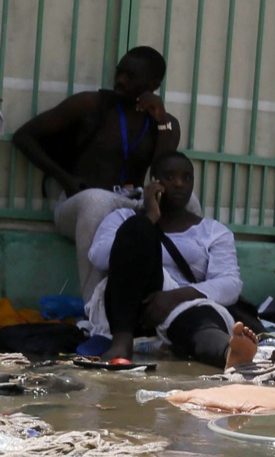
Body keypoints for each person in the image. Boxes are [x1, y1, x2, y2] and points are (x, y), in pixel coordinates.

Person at [13, 47, 183, 302]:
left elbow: (163, 174)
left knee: (186, 201)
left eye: (131, 76)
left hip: (131, 205)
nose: (121, 80)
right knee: (97, 200)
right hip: (82, 205)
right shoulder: (92, 105)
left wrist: (161, 121)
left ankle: (181, 298)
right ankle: (95, 310)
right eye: (119, 72)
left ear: (153, 84)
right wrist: (65, 179)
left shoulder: (164, 123)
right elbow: (23, 137)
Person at [84, 151, 257, 369]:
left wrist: (174, 297)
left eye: (186, 178)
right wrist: (149, 219)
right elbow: (99, 257)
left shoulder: (213, 231)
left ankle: (229, 353)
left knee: (199, 323)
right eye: (170, 177)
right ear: (153, 182)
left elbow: (230, 284)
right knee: (137, 229)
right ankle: (122, 342)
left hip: (184, 305)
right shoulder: (122, 218)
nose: (178, 184)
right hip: (131, 307)